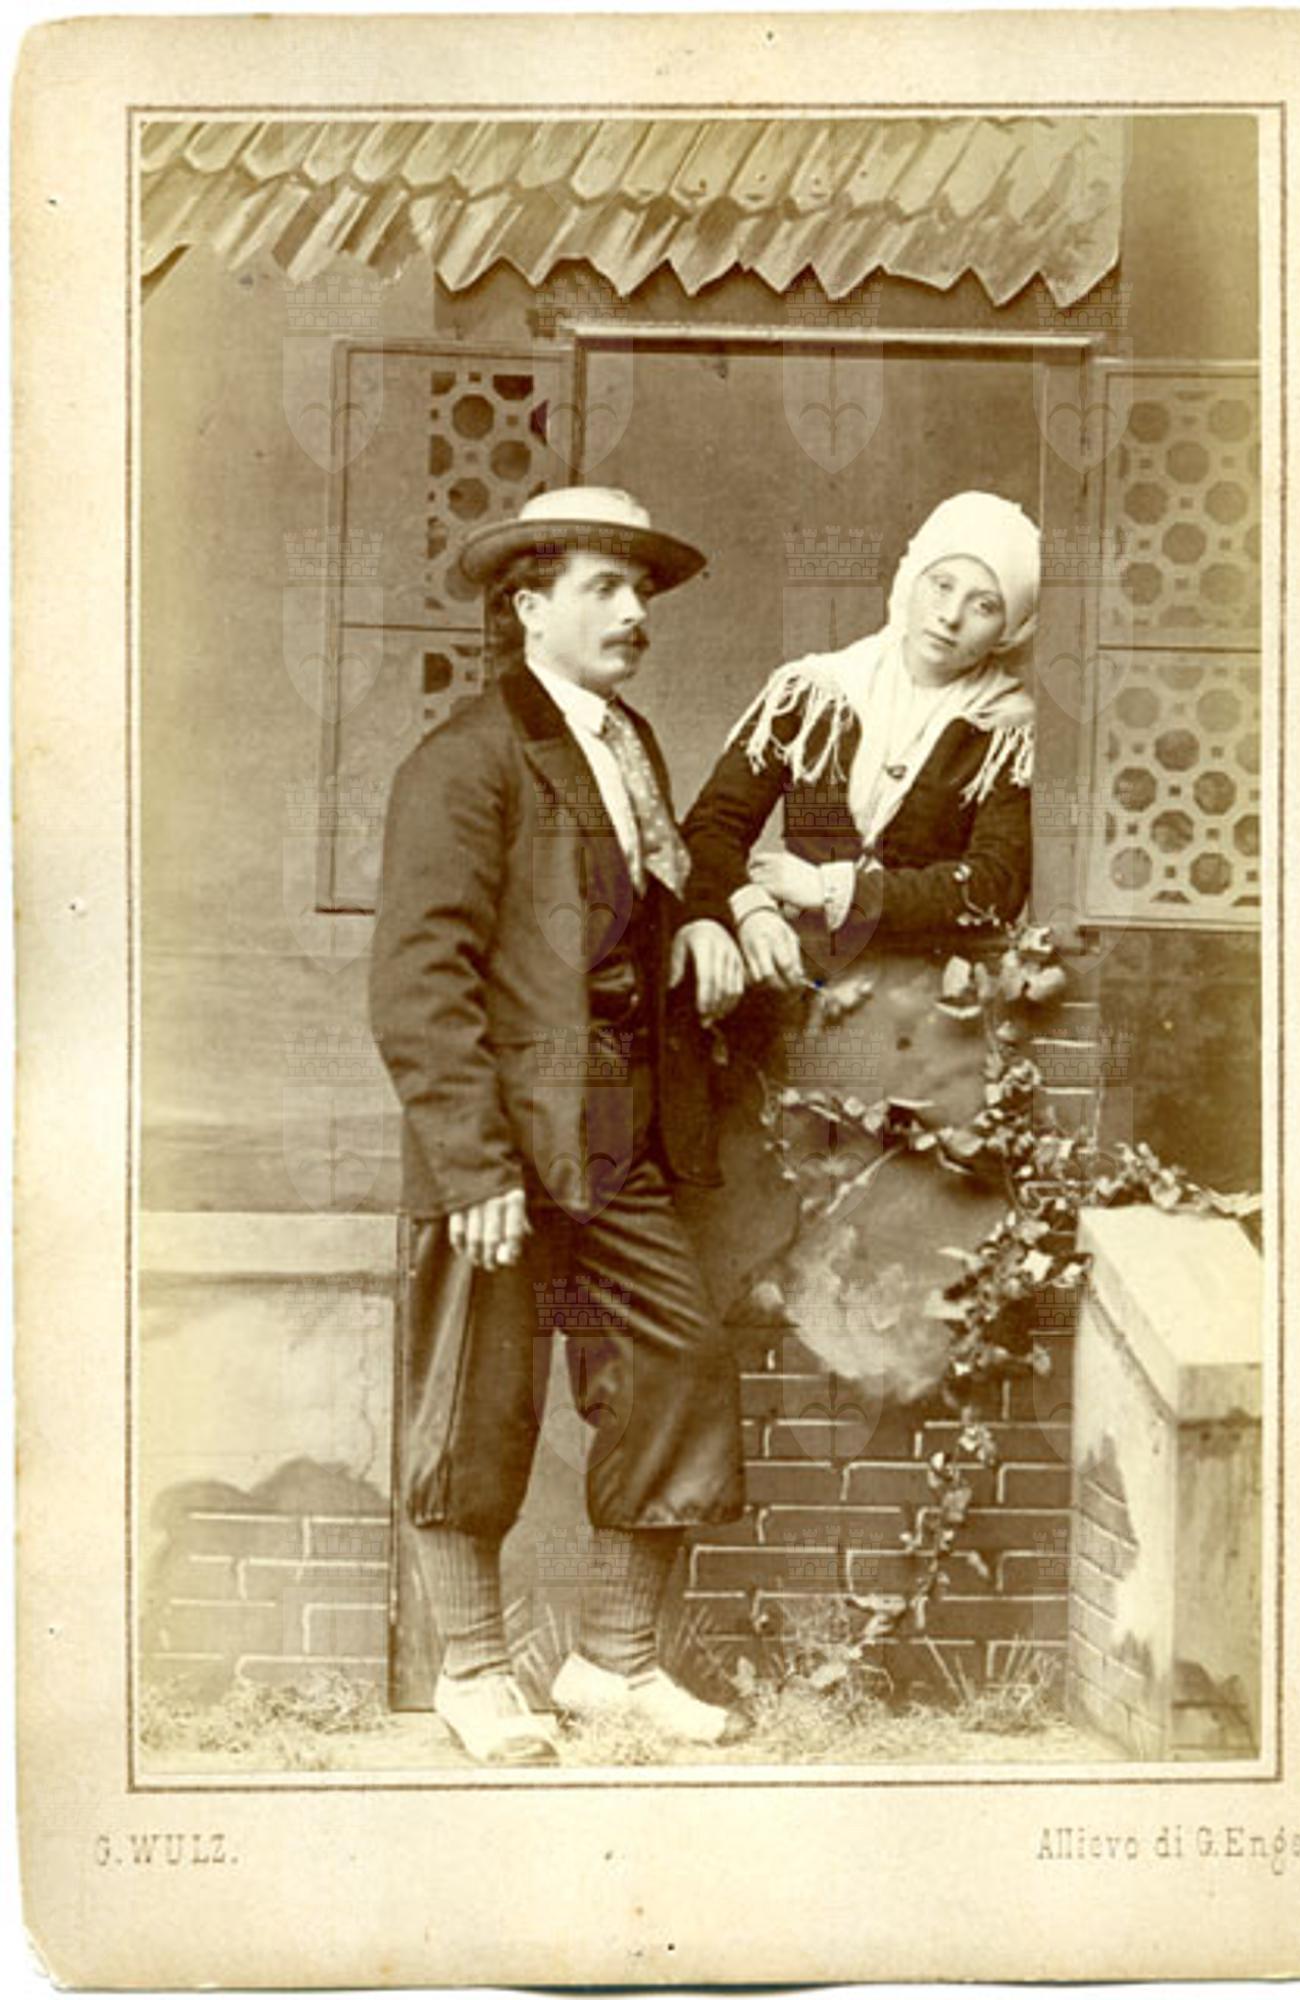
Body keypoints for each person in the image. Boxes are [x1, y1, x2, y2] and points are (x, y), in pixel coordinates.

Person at [368, 487, 749, 1766]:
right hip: (499, 1137)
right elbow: (418, 981)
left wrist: (699, 919)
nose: (634, 612)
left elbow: (628, 905)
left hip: (614, 1131)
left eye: (641, 591)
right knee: (476, 1397)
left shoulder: (625, 743)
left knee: (674, 1358)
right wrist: (472, 1164)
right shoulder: (466, 759)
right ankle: (473, 1672)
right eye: (604, 587)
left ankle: (613, 1664)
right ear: (529, 607)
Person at [678, 490, 1041, 1401]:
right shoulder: (811, 693)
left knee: (892, 1266)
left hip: (906, 1024)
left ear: (1008, 626)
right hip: (779, 1008)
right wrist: (751, 912)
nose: (950, 616)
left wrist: (835, 889)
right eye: (940, 585)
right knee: (748, 1237)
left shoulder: (1003, 730)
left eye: (983, 604)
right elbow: (708, 832)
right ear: (908, 579)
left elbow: (993, 885)